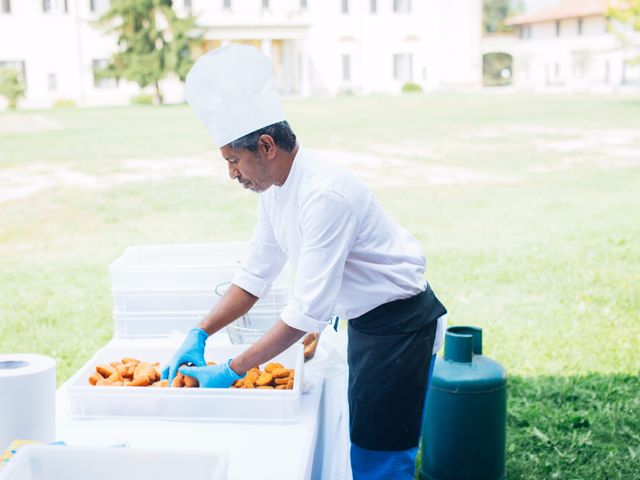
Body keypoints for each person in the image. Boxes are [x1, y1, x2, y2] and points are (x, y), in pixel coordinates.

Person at [162, 44, 447, 480]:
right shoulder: (276, 189)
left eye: (234, 160)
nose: (232, 174)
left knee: (381, 456)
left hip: (400, 326)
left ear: (266, 145)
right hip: (369, 322)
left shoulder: (324, 195)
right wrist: (200, 331)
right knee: (363, 442)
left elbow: (305, 314)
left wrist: (232, 369)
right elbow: (255, 274)